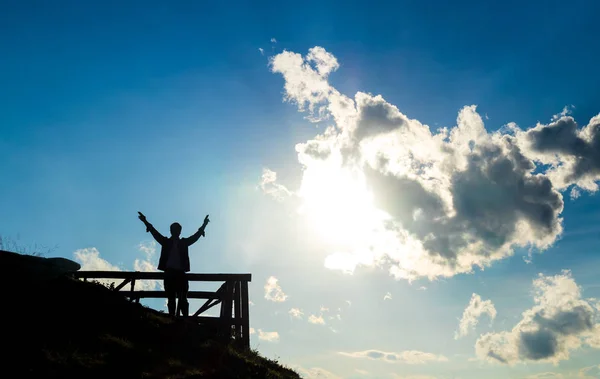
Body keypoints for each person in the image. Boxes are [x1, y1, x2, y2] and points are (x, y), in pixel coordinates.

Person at [137, 211, 210, 317]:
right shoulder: (168, 242)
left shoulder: (181, 242)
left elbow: (195, 236)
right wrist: (145, 221)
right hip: (170, 273)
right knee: (172, 299)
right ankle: (173, 318)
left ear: (179, 231)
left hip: (179, 273)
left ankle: (184, 319)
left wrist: (204, 225)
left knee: (182, 299)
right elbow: (154, 233)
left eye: (177, 230)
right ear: (172, 231)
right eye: (174, 230)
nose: (175, 231)